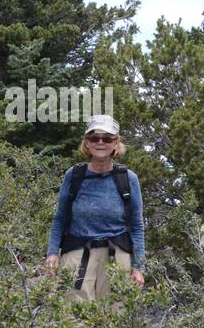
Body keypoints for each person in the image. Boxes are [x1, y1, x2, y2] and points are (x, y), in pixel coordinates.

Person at [44, 115, 145, 300]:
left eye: (107, 138)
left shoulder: (128, 178)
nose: (100, 142)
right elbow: (60, 218)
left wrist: (138, 267)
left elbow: (137, 225)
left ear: (116, 143)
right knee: (73, 314)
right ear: (87, 143)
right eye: (94, 137)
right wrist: (52, 253)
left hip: (117, 254)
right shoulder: (74, 175)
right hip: (76, 252)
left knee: (117, 313)